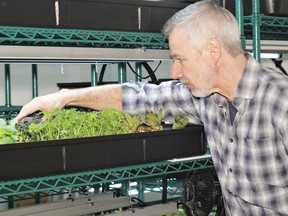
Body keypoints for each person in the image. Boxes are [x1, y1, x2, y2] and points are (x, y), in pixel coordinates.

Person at [15, 0, 288, 215]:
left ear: (213, 51)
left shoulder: (280, 101)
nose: (175, 71)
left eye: (180, 59)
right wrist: (64, 98)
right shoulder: (207, 98)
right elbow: (143, 97)